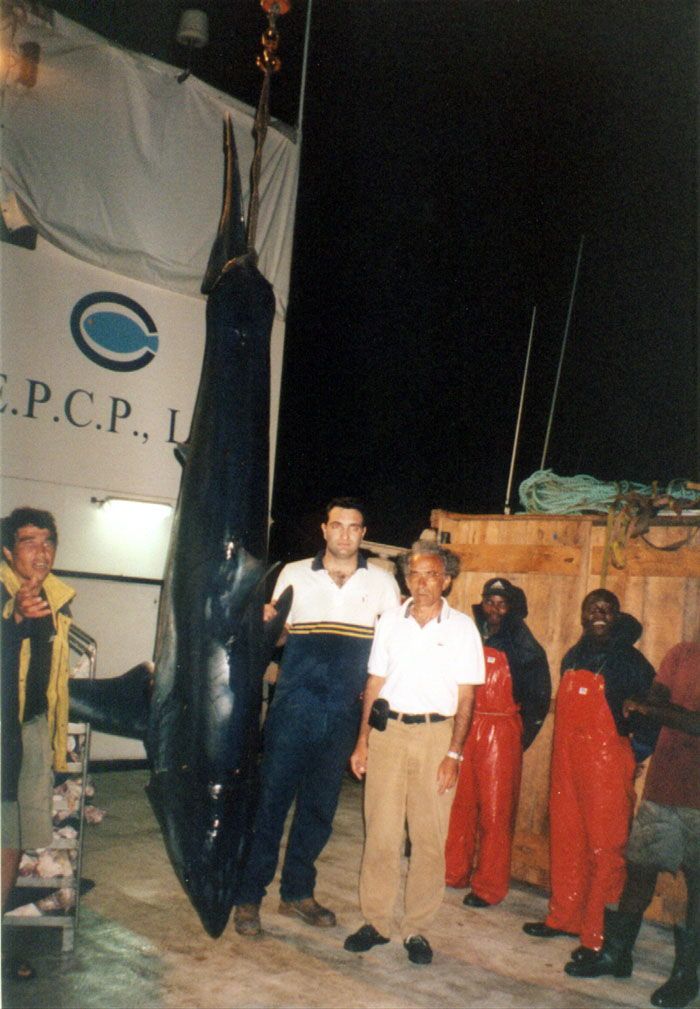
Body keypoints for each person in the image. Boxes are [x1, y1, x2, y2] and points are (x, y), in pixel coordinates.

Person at [233, 498, 400, 936]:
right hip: (294, 707)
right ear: (324, 530)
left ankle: (297, 893)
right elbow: (279, 636)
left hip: (344, 712)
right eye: (338, 526)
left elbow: (391, 650)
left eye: (354, 527)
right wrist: (267, 621)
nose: (345, 534)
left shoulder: (383, 583)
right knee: (269, 803)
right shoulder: (292, 573)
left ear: (364, 534)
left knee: (320, 809)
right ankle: (249, 897)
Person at [343, 540, 485, 965]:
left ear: (448, 581)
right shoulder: (389, 620)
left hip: (435, 738)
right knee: (381, 833)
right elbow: (374, 683)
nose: (423, 584)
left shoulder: (462, 628)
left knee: (428, 838)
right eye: (415, 575)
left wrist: (454, 755)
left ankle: (418, 929)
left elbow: (467, 698)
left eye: (432, 575)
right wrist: (363, 740)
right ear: (407, 579)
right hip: (387, 735)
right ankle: (376, 922)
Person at [564, 639, 699, 1009]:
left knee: (697, 888)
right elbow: (654, 693)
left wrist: (653, 708)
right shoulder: (682, 652)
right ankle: (616, 954)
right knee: (638, 871)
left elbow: (686, 718)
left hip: (698, 799)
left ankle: (688, 977)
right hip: (662, 787)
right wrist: (648, 702)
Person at [523, 588, 655, 962]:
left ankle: (598, 936)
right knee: (566, 842)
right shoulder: (573, 656)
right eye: (591, 608)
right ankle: (563, 917)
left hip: (607, 769)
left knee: (606, 851)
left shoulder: (633, 664)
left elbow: (653, 715)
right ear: (582, 616)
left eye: (606, 609)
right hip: (566, 765)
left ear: (616, 616)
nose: (598, 614)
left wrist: (635, 754)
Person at [444, 577, 550, 907]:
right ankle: (453, 872)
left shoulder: (527, 647)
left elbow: (539, 699)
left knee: (495, 814)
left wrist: (517, 738)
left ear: (513, 608)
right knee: (458, 806)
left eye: (502, 603)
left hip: (502, 733)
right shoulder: (469, 635)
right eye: (490, 601)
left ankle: (489, 887)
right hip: (466, 725)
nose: (494, 608)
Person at [1, 507, 75, 982]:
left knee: (10, 844)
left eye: (48, 540)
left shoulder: (58, 599)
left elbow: (52, 680)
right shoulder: (16, 598)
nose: (41, 550)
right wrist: (13, 615)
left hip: (27, 732)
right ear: (8, 552)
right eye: (29, 541)